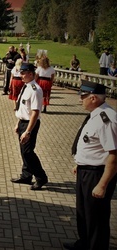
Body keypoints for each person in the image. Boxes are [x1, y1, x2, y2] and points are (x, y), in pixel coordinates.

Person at [63, 80, 117, 250]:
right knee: (83, 213)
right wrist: (80, 163)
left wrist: (102, 184)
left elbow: (114, 155)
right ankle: (84, 243)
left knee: (96, 218)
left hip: (97, 174)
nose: (80, 99)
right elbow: (93, 145)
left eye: (83, 96)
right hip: (86, 171)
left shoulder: (106, 119)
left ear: (93, 98)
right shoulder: (95, 113)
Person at [11, 63, 48, 190]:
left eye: (23, 73)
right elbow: (23, 108)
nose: (20, 75)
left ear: (31, 74)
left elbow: (35, 112)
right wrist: (18, 123)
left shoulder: (35, 90)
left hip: (30, 124)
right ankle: (26, 176)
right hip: (23, 122)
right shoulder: (26, 87)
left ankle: (41, 177)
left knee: (28, 152)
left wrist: (27, 131)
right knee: (23, 151)